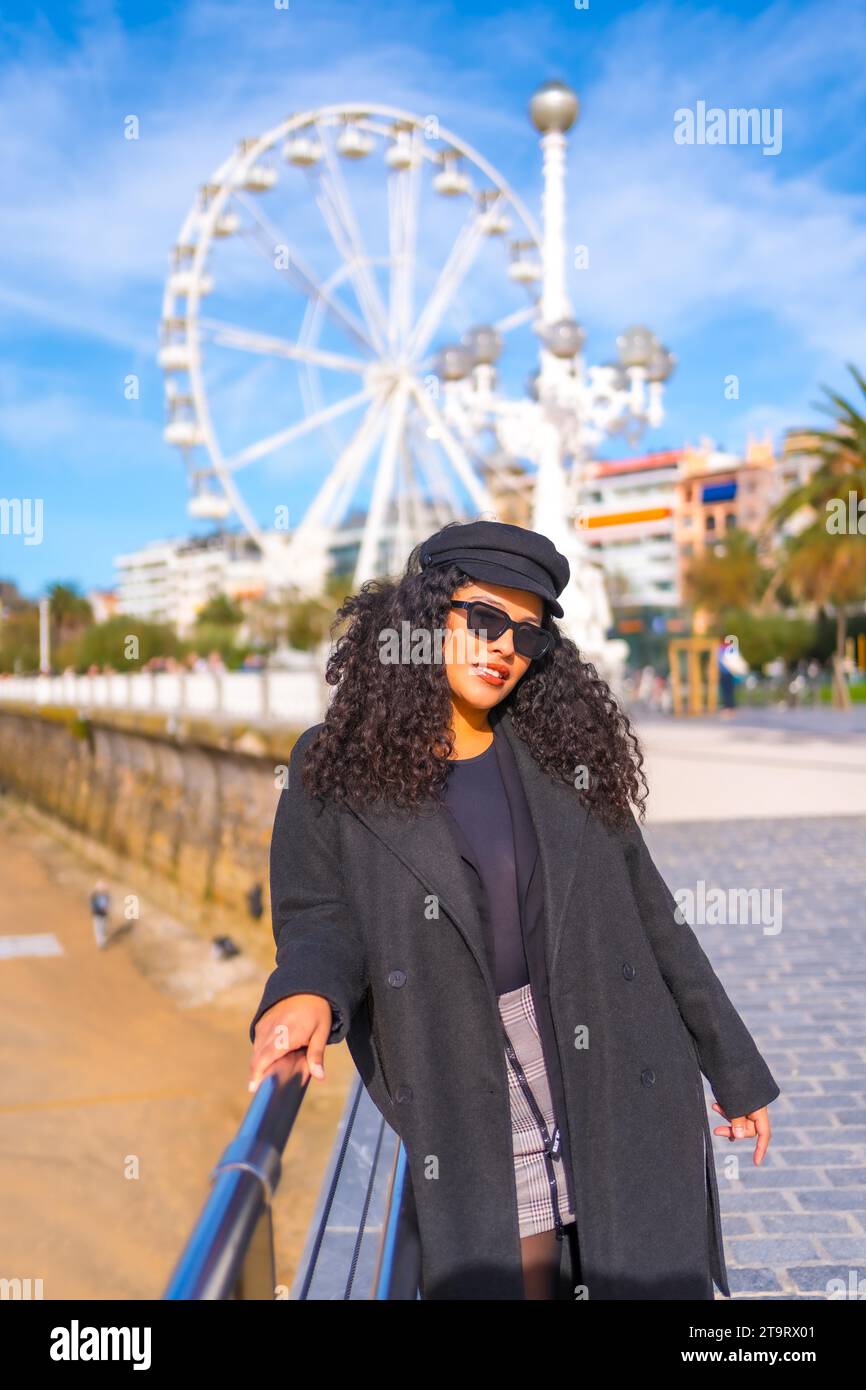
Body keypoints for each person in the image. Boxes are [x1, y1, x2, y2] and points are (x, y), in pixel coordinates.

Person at [248, 519, 780, 1301]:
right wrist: (304, 993)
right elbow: (319, 914)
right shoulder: (334, 764)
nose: (503, 648)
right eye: (485, 619)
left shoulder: (564, 758)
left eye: (526, 637)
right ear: (426, 618)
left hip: (614, 1071)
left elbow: (654, 915)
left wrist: (735, 1070)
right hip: (468, 1077)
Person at [90, 881, 110, 949]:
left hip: (103, 915)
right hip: (97, 915)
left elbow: (107, 905)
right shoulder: (95, 896)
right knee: (98, 929)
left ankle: (102, 942)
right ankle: (101, 943)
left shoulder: (106, 896)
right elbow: (93, 905)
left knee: (103, 929)